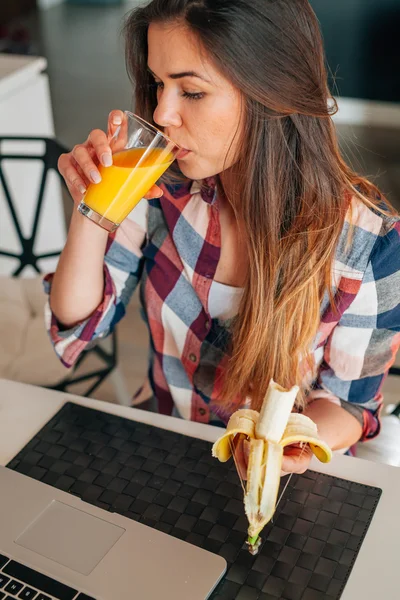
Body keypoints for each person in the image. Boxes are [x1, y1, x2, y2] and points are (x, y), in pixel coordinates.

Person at [45, 0, 400, 477]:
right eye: (158, 84)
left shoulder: (369, 241)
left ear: (272, 92)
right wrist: (92, 210)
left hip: (285, 484)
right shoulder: (155, 188)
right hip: (166, 454)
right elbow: (79, 324)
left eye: (190, 91)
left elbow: (350, 406)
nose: (162, 113)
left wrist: (277, 449)